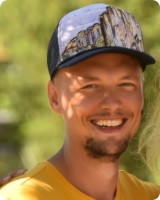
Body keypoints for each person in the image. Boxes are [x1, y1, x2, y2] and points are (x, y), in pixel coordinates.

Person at [0, 3, 160, 200]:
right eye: (90, 86)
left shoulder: (146, 194)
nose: (112, 103)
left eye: (126, 84)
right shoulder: (25, 196)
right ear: (55, 98)